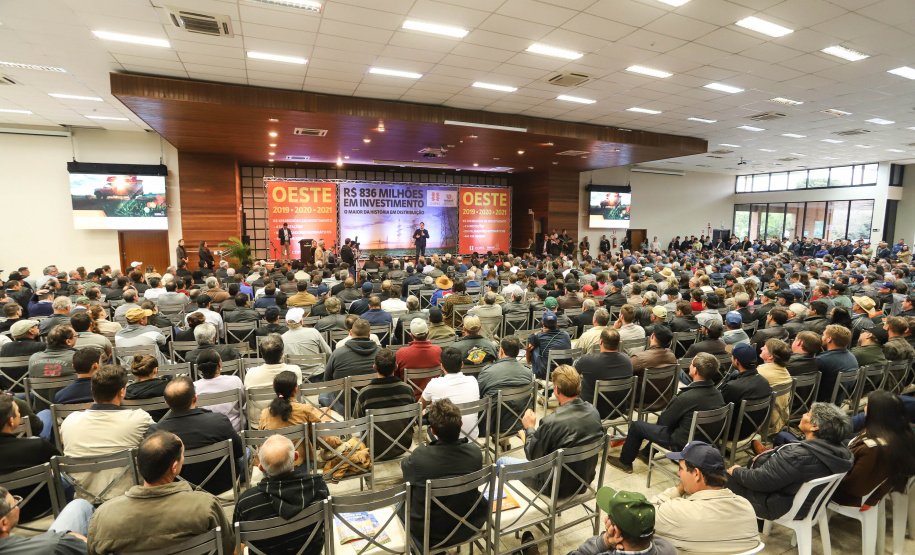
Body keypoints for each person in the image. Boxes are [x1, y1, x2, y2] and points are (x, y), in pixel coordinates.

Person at [87, 431, 234, 554]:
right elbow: (227, 547)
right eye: (182, 455)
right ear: (174, 467)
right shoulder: (206, 506)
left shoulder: (103, 517)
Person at [726, 403, 854, 521]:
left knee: (722, 476)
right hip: (810, 505)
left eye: (808, 414)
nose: (803, 415)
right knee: (756, 463)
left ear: (814, 427)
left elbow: (759, 481)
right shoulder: (841, 453)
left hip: (783, 507)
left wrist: (736, 471)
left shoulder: (796, 455)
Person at [609, 353, 725, 474]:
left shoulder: (686, 397)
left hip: (682, 445)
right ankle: (646, 453)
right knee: (668, 420)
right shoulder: (718, 394)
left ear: (695, 370)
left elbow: (665, 422)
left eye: (691, 363)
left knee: (636, 426)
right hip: (706, 443)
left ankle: (625, 462)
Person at [499, 365, 603, 498]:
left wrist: (530, 427)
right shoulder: (594, 412)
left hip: (553, 486)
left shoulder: (551, 422)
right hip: (584, 482)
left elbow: (532, 456)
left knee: (501, 462)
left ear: (556, 389)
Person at [60, 364, 154, 502]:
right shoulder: (139, 419)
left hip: (85, 502)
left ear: (92, 390)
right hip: (128, 500)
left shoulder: (69, 422)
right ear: (122, 392)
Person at [401, 399, 486, 549]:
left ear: (432, 431)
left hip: (430, 533)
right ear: (461, 424)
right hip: (468, 524)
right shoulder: (475, 453)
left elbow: (405, 471)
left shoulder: (420, 457)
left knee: (400, 501)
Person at [650, 441, 760, 553]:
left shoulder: (679, 511)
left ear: (696, 474)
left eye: (681, 469)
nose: (679, 474)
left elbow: (645, 514)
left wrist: (680, 488)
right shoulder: (747, 507)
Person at [144, 376, 243, 495]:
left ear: (167, 403)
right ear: (195, 398)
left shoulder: (155, 434)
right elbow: (239, 451)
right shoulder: (219, 421)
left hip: (179, 492)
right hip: (222, 487)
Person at [233, 434, 329, 555]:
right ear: (296, 457)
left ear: (261, 468)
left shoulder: (246, 502)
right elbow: (326, 521)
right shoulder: (318, 486)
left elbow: (237, 537)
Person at [831, 391, 915, 508]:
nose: (864, 409)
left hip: (851, 497)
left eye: (866, 406)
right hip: (877, 488)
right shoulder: (901, 435)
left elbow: (853, 486)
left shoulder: (874, 449)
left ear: (876, 413)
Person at [0, 395, 63, 524]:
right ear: (11, 421)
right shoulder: (38, 446)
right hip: (44, 510)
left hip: (5, 516)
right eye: (18, 412)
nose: (19, 414)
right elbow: (62, 466)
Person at [258, 371, 338, 469]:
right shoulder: (305, 409)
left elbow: (260, 442)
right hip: (301, 466)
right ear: (295, 389)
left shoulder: (265, 413)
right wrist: (339, 443)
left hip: (271, 468)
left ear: (275, 390)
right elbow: (322, 438)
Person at [568, 487, 677, 555]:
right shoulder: (668, 548)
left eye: (609, 517)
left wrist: (604, 541)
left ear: (616, 531)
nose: (606, 519)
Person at [353, 349, 417, 460]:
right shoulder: (408, 390)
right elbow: (412, 420)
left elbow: (359, 422)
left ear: (374, 367)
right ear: (396, 367)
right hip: (403, 444)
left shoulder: (364, 394)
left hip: (374, 447)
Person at [0, 485, 94, 555]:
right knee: (79, 505)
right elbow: (95, 550)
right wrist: (67, 538)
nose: (17, 503)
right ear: (4, 524)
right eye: (15, 504)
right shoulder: (55, 545)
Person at [477, 336, 534, 438]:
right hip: (520, 421)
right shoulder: (528, 372)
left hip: (492, 425)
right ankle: (504, 441)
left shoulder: (487, 371)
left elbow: (479, 397)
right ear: (518, 352)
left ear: (501, 351)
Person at [422, 347, 480, 439]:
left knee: (427, 416)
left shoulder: (434, 384)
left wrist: (424, 411)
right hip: (471, 437)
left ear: (442, 366)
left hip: (443, 438)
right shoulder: (473, 380)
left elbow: (420, 405)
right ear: (462, 364)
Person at [574, 328, 633, 418]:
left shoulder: (588, 360)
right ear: (619, 343)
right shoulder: (627, 360)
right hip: (619, 410)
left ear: (600, 342)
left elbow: (572, 373)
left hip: (591, 412)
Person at [245, 334, 303, 421]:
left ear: (262, 354)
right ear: (282, 353)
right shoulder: (295, 370)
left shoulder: (250, 373)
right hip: (290, 419)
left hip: (259, 422)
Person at [193, 349, 246, 431]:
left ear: (199, 368)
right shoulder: (235, 381)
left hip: (207, 431)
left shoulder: (194, 387)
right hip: (234, 428)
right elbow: (242, 402)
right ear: (220, 364)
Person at [395, 318, 443, 399]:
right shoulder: (438, 351)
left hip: (411, 398)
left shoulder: (401, 353)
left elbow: (396, 377)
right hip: (434, 398)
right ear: (428, 332)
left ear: (411, 335)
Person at [816, 324, 859, 402]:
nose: (821, 338)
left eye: (823, 335)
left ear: (829, 339)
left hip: (822, 403)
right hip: (840, 400)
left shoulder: (822, 360)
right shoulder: (852, 356)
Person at [527, 310, 572, 380]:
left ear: (543, 323)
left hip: (547, 374)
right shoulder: (566, 335)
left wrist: (541, 331)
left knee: (534, 349)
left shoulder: (539, 337)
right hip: (566, 372)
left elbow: (531, 338)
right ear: (557, 323)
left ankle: (535, 376)